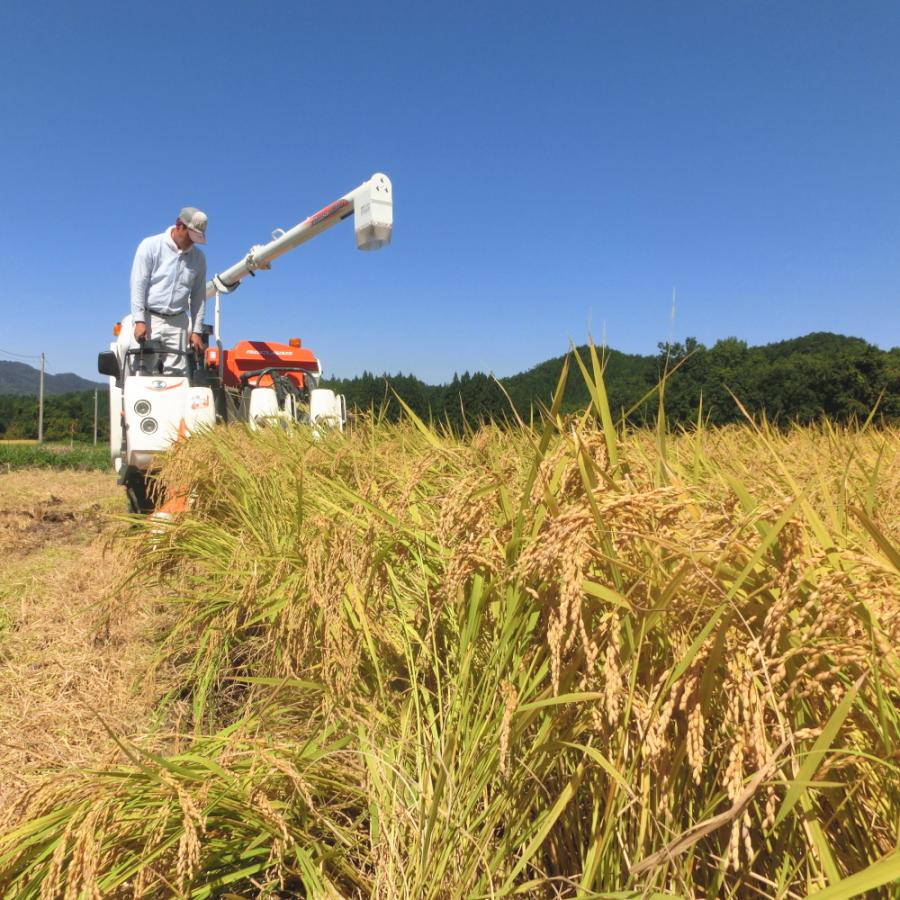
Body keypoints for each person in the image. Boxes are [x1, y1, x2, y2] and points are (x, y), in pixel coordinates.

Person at [129, 207, 209, 375]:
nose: (191, 242)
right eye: (190, 236)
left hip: (178, 321)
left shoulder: (198, 258)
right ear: (179, 225)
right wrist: (139, 320)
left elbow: (198, 297)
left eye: (196, 239)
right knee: (143, 371)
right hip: (150, 318)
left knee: (178, 374)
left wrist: (196, 331)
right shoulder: (150, 246)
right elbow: (138, 284)